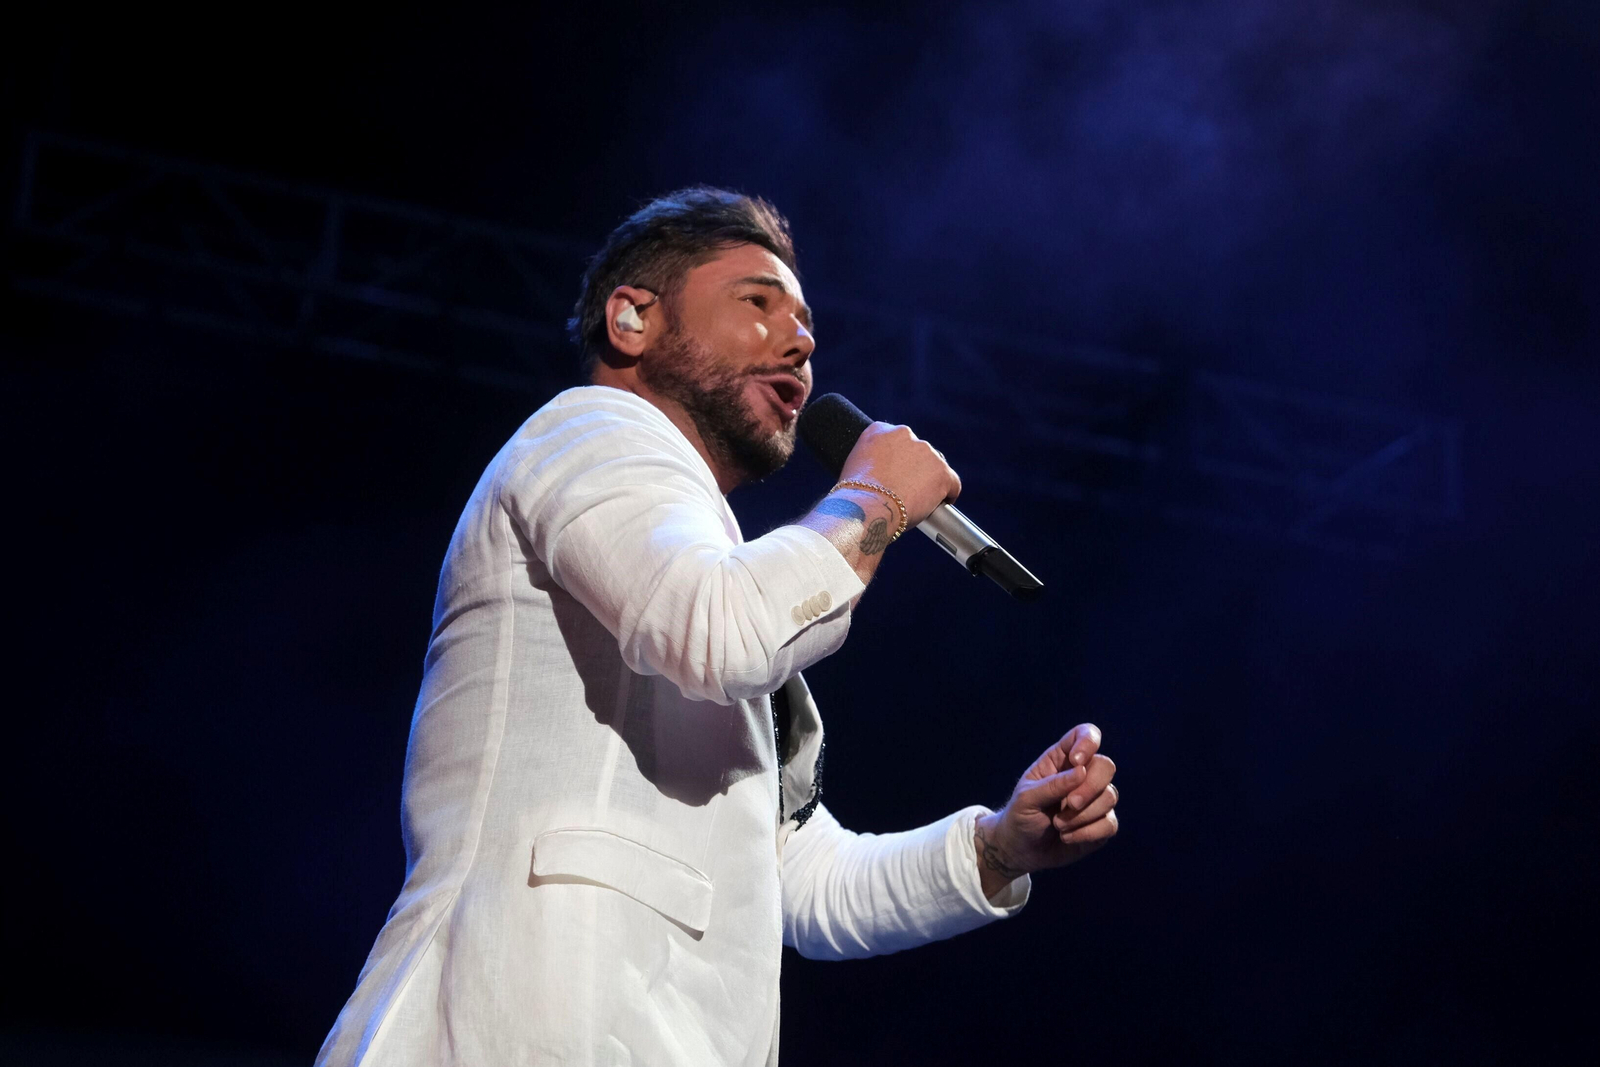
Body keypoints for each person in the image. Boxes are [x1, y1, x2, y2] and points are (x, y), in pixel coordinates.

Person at [316, 187, 1120, 1067]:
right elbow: (720, 633)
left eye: (806, 319)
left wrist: (999, 845)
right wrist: (874, 499)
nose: (801, 339)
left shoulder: (710, 570)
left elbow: (798, 882)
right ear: (632, 319)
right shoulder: (590, 435)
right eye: (758, 302)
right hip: (523, 1019)